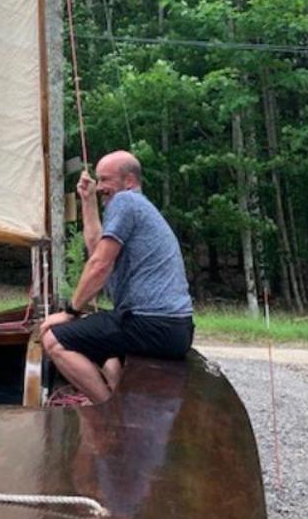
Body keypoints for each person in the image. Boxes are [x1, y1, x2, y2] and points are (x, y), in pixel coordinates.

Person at [40, 150, 193, 404]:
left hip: (153, 324)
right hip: (173, 328)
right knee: (108, 356)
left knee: (54, 340)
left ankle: (107, 410)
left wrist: (71, 311)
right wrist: (87, 202)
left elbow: (99, 265)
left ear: (129, 181)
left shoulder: (126, 202)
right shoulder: (138, 208)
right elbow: (96, 248)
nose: (99, 187)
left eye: (105, 180)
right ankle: (117, 399)